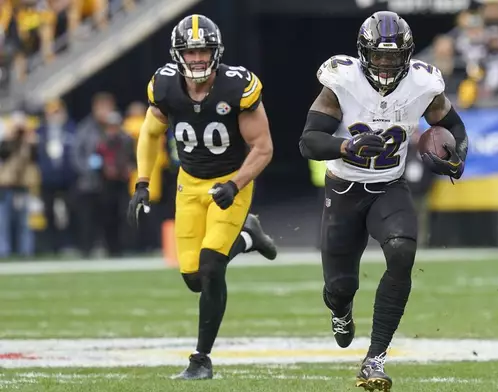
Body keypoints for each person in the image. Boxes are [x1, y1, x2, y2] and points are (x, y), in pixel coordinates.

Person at [299, 11, 469, 391]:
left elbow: (454, 126)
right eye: (379, 57)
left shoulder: (424, 84)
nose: (386, 65)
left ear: (407, 56)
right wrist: (346, 145)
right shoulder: (341, 81)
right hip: (344, 190)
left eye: (394, 58)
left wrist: (458, 157)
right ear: (364, 54)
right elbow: (308, 140)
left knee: (402, 251)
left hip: (389, 188)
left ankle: (375, 358)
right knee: (340, 288)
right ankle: (340, 311)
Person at [127, 14, 277, 380]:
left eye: (203, 50)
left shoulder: (236, 86)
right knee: (193, 277)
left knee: (212, 267)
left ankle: (201, 359)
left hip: (231, 181)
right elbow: (149, 134)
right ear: (179, 54)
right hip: (189, 182)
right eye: (190, 51)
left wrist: (235, 185)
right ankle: (248, 235)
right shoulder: (164, 85)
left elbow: (262, 147)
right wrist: (142, 183)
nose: (196, 58)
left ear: (216, 51)